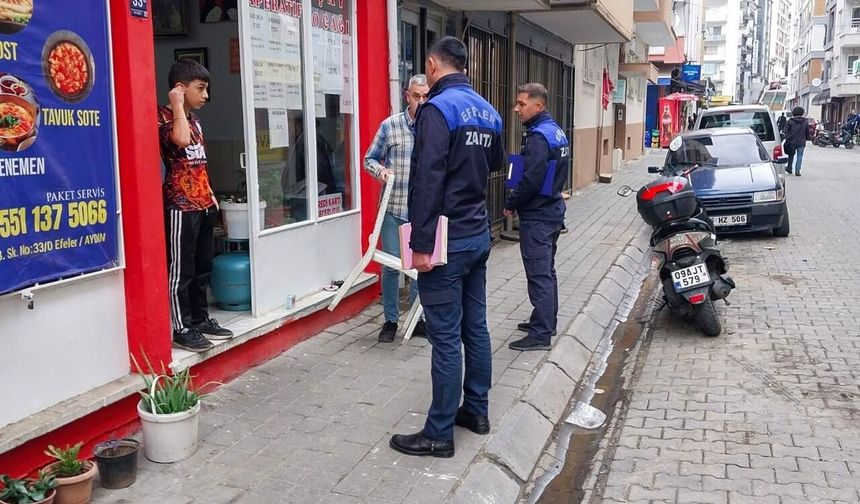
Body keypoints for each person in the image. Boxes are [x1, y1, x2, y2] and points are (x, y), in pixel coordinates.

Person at [389, 36, 504, 458]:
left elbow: (426, 179)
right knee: (475, 326)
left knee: (444, 337)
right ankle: (476, 411)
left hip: (445, 241)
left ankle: (438, 434)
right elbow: (494, 167)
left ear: (433, 65)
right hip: (477, 234)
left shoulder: (437, 109)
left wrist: (419, 244)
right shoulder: (488, 111)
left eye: (428, 68)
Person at [158, 60, 234, 352]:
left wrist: (211, 192)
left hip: (203, 203)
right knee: (182, 269)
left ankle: (200, 319)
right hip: (180, 205)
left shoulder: (195, 120)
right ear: (180, 88)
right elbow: (179, 140)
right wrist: (177, 105)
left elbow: (198, 162)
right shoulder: (166, 118)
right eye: (200, 89)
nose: (205, 95)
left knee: (203, 266)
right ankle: (181, 326)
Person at [364, 75, 430, 342]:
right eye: (417, 96)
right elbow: (369, 158)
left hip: (422, 213)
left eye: (426, 96)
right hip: (393, 209)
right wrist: (381, 171)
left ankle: (416, 320)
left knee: (419, 268)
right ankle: (390, 321)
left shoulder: (435, 126)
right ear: (407, 96)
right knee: (391, 267)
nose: (421, 101)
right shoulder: (390, 126)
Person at [504, 83, 570, 352]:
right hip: (552, 211)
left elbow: (530, 179)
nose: (516, 109)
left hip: (538, 216)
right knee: (547, 271)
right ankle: (546, 320)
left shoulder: (538, 137)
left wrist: (510, 203)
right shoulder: (554, 131)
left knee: (539, 274)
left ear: (538, 106)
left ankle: (541, 333)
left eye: (521, 104)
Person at [782, 106, 811, 177]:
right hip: (801, 141)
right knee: (800, 156)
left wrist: (787, 137)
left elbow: (785, 131)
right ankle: (797, 171)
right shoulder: (805, 122)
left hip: (791, 141)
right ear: (802, 113)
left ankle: (789, 168)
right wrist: (807, 138)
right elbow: (807, 132)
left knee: (791, 155)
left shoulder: (790, 121)